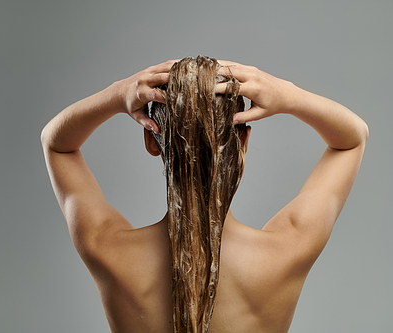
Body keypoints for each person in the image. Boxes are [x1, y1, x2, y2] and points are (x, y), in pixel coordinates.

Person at [41, 56, 368, 333]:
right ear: (243, 142)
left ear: (152, 141)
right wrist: (289, 94)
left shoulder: (108, 248)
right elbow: (352, 138)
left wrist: (116, 94)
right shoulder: (288, 247)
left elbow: (57, 144)